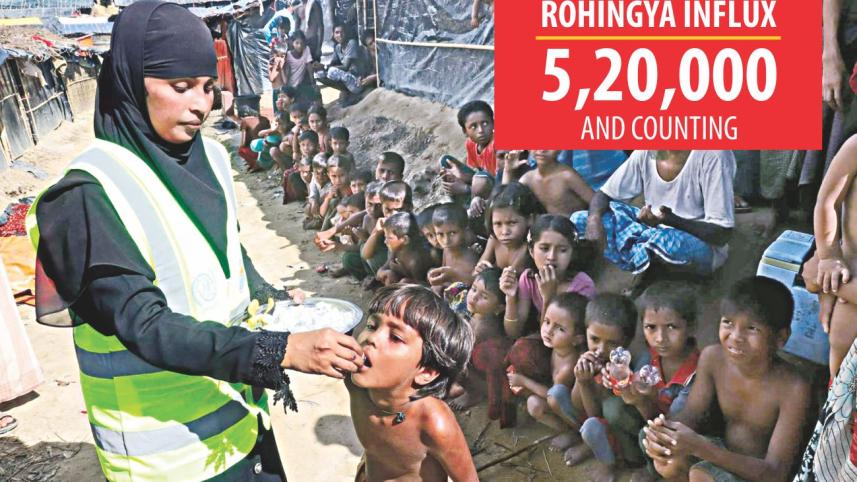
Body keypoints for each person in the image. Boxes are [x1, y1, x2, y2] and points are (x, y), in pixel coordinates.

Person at [26, 2, 364, 479]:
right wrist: (276, 350)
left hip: (239, 417)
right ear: (130, 82)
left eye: (208, 87)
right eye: (180, 88)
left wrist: (271, 298)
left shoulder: (207, 156)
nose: (201, 105)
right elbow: (143, 323)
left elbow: (224, 250)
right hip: (166, 456)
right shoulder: (86, 196)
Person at [643, 277, 811, 482]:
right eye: (728, 323)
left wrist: (699, 447)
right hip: (719, 451)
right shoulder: (713, 358)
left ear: (780, 338)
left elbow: (775, 472)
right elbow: (693, 414)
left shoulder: (793, 389)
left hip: (758, 473)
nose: (735, 336)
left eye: (752, 329)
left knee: (700, 475)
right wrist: (665, 434)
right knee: (661, 449)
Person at [348, 284, 477, 482]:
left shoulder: (433, 422)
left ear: (425, 372)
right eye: (372, 326)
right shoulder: (356, 385)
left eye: (396, 337)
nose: (372, 338)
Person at [572, 150, 735, 284]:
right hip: (651, 231)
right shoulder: (650, 152)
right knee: (579, 220)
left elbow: (722, 234)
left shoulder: (713, 156)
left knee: (664, 242)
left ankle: (647, 278)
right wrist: (594, 222)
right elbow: (604, 195)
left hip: (698, 245)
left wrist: (670, 220)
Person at [568, 293, 643, 479]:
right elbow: (578, 407)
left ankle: (619, 462)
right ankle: (592, 447)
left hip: (626, 433)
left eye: (612, 343)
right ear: (585, 331)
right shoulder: (588, 358)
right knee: (558, 395)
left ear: (627, 341)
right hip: (601, 422)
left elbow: (598, 415)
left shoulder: (625, 367)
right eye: (594, 339)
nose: (601, 349)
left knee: (603, 417)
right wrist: (582, 380)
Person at [801, 134, 857, 379]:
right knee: (842, 341)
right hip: (851, 268)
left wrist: (833, 288)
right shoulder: (855, 147)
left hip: (848, 288)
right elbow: (827, 202)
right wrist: (828, 257)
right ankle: (841, 411)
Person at [508, 293, 587, 453]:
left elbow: (551, 396)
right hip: (555, 398)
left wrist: (523, 381)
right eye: (547, 322)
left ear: (577, 339)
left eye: (560, 329)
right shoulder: (558, 346)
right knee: (533, 403)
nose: (548, 331)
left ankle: (573, 433)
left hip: (576, 413)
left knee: (535, 404)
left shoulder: (568, 367)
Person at [444, 268, 507, 412]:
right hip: (477, 369)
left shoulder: (486, 327)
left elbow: (463, 352)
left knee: (452, 359)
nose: (474, 297)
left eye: (484, 297)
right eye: (473, 289)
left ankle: (473, 393)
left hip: (489, 384)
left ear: (499, 308)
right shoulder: (479, 315)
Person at [474, 182, 542, 276]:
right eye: (498, 224)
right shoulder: (494, 239)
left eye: (512, 223)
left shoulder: (528, 247)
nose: (505, 232)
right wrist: (479, 270)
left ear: (530, 219)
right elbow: (476, 273)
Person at [505, 150, 593, 217]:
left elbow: (596, 202)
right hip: (542, 234)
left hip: (571, 233)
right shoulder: (528, 179)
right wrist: (508, 171)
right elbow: (504, 203)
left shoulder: (567, 176)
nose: (542, 149)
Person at [361, 181, 412, 288]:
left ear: (410, 207)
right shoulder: (388, 225)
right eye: (388, 210)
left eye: (398, 210)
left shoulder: (411, 229)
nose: (392, 215)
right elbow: (389, 258)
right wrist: (382, 271)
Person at [440, 101, 497, 197]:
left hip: (502, 187)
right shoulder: (470, 144)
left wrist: (466, 189)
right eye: (473, 126)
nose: (481, 130)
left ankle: (474, 199)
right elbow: (481, 171)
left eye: (485, 123)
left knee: (481, 181)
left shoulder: (496, 146)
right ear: (465, 131)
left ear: (493, 123)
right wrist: (461, 176)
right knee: (445, 161)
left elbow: (506, 182)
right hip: (487, 180)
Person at [428, 203, 480, 293]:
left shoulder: (470, 258)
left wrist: (454, 275)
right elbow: (444, 273)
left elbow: (475, 284)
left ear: (465, 231)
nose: (446, 240)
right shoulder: (446, 250)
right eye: (440, 234)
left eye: (452, 233)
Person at [316, 23, 375, 103]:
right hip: (349, 78)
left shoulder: (351, 43)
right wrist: (322, 66)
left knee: (332, 71)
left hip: (358, 80)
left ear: (346, 33)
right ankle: (347, 91)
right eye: (337, 32)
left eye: (342, 32)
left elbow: (346, 66)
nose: (339, 35)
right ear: (333, 34)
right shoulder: (338, 47)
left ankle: (352, 92)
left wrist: (326, 67)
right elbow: (332, 64)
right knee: (320, 74)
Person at [376, 212, 434, 286]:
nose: (385, 241)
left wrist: (403, 275)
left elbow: (423, 286)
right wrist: (388, 272)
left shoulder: (415, 261)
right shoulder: (396, 252)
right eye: (385, 237)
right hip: (401, 287)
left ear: (405, 240)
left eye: (389, 238)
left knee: (404, 281)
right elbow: (380, 272)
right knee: (389, 278)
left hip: (417, 292)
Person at [283, 30, 321, 106]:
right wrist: (285, 89)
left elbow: (309, 66)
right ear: (292, 43)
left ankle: (319, 111)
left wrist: (313, 83)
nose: (300, 46)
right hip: (290, 87)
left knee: (316, 92)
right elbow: (286, 73)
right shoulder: (288, 55)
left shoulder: (306, 50)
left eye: (301, 43)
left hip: (300, 86)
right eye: (297, 43)